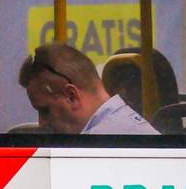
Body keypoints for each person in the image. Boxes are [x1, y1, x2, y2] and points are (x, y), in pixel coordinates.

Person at [18, 42, 159, 135]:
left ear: (72, 96)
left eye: (45, 110)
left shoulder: (94, 149)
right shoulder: (129, 129)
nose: (42, 122)